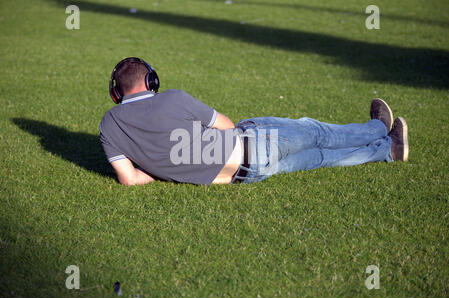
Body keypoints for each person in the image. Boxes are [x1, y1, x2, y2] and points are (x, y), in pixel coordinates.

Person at [99, 57, 409, 186]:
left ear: (116, 92)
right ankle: (378, 129)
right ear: (151, 80)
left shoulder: (109, 126)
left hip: (244, 177)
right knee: (317, 133)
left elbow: (129, 180)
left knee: (319, 158)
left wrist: (153, 169)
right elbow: (225, 124)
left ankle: (387, 151)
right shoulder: (173, 97)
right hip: (253, 142)